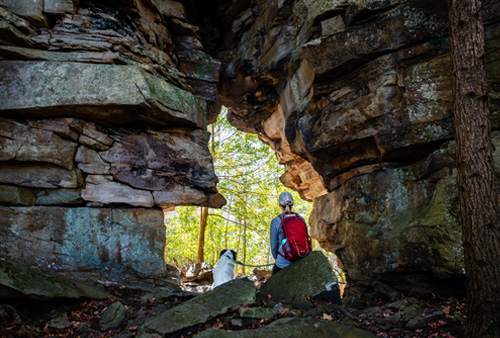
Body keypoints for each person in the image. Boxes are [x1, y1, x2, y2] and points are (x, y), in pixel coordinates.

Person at [270, 192, 307, 275]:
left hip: (283, 263)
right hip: (300, 258)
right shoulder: (301, 219)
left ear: (279, 204)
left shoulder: (276, 221)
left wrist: (279, 259)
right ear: (293, 203)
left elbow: (273, 247)